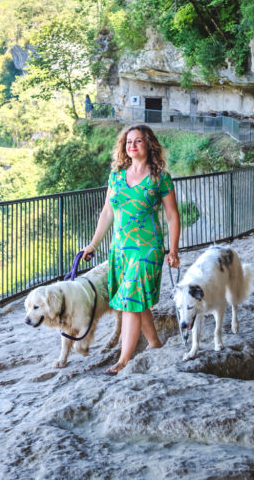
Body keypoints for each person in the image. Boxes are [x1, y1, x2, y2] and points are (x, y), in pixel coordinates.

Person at [82, 124, 180, 374]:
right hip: (121, 248)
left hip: (147, 249)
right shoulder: (116, 176)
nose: (132, 145)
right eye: (128, 142)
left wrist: (173, 250)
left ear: (149, 144)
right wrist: (93, 244)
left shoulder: (160, 178)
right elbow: (107, 212)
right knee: (136, 299)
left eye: (138, 141)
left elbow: (172, 216)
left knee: (128, 300)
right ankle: (155, 343)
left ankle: (123, 360)